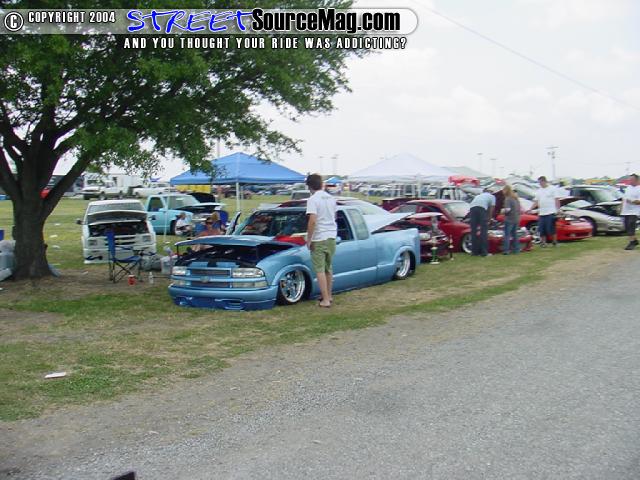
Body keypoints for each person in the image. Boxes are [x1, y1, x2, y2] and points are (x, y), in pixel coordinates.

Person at [305, 173, 337, 308]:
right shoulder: (331, 198)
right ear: (321, 184)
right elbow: (334, 216)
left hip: (319, 237)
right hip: (332, 236)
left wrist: (309, 239)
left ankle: (325, 300)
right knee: (328, 268)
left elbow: (312, 221)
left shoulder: (313, 200)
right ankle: (329, 295)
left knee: (319, 269)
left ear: (309, 186)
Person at [529, 176, 560, 247]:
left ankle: (554, 241)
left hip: (550, 212)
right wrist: (530, 209)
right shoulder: (539, 191)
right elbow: (536, 201)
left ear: (545, 181)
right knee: (541, 229)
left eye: (541, 182)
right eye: (539, 182)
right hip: (542, 213)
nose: (540, 184)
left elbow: (556, 200)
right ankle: (543, 242)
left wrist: (558, 209)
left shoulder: (552, 189)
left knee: (551, 228)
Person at [468, 188, 495, 256]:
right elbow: (491, 209)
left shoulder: (478, 196)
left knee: (474, 231)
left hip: (472, 209)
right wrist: (489, 218)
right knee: (483, 231)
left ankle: (474, 252)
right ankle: (484, 252)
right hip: (481, 209)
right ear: (490, 191)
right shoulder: (492, 196)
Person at [621, 173, 640, 250]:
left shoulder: (639, 189)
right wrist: (621, 208)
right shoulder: (628, 188)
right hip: (626, 211)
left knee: (631, 225)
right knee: (627, 227)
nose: (629, 181)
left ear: (636, 180)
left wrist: (632, 201)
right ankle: (635, 241)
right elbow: (624, 198)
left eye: (631, 179)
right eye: (629, 179)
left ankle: (631, 243)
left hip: (634, 211)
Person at [502, 184, 521, 254]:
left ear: (506, 190)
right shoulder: (515, 198)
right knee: (515, 235)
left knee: (507, 235)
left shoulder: (508, 199)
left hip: (509, 219)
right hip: (516, 218)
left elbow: (508, 209)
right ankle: (516, 249)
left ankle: (506, 250)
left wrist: (502, 211)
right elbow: (519, 209)